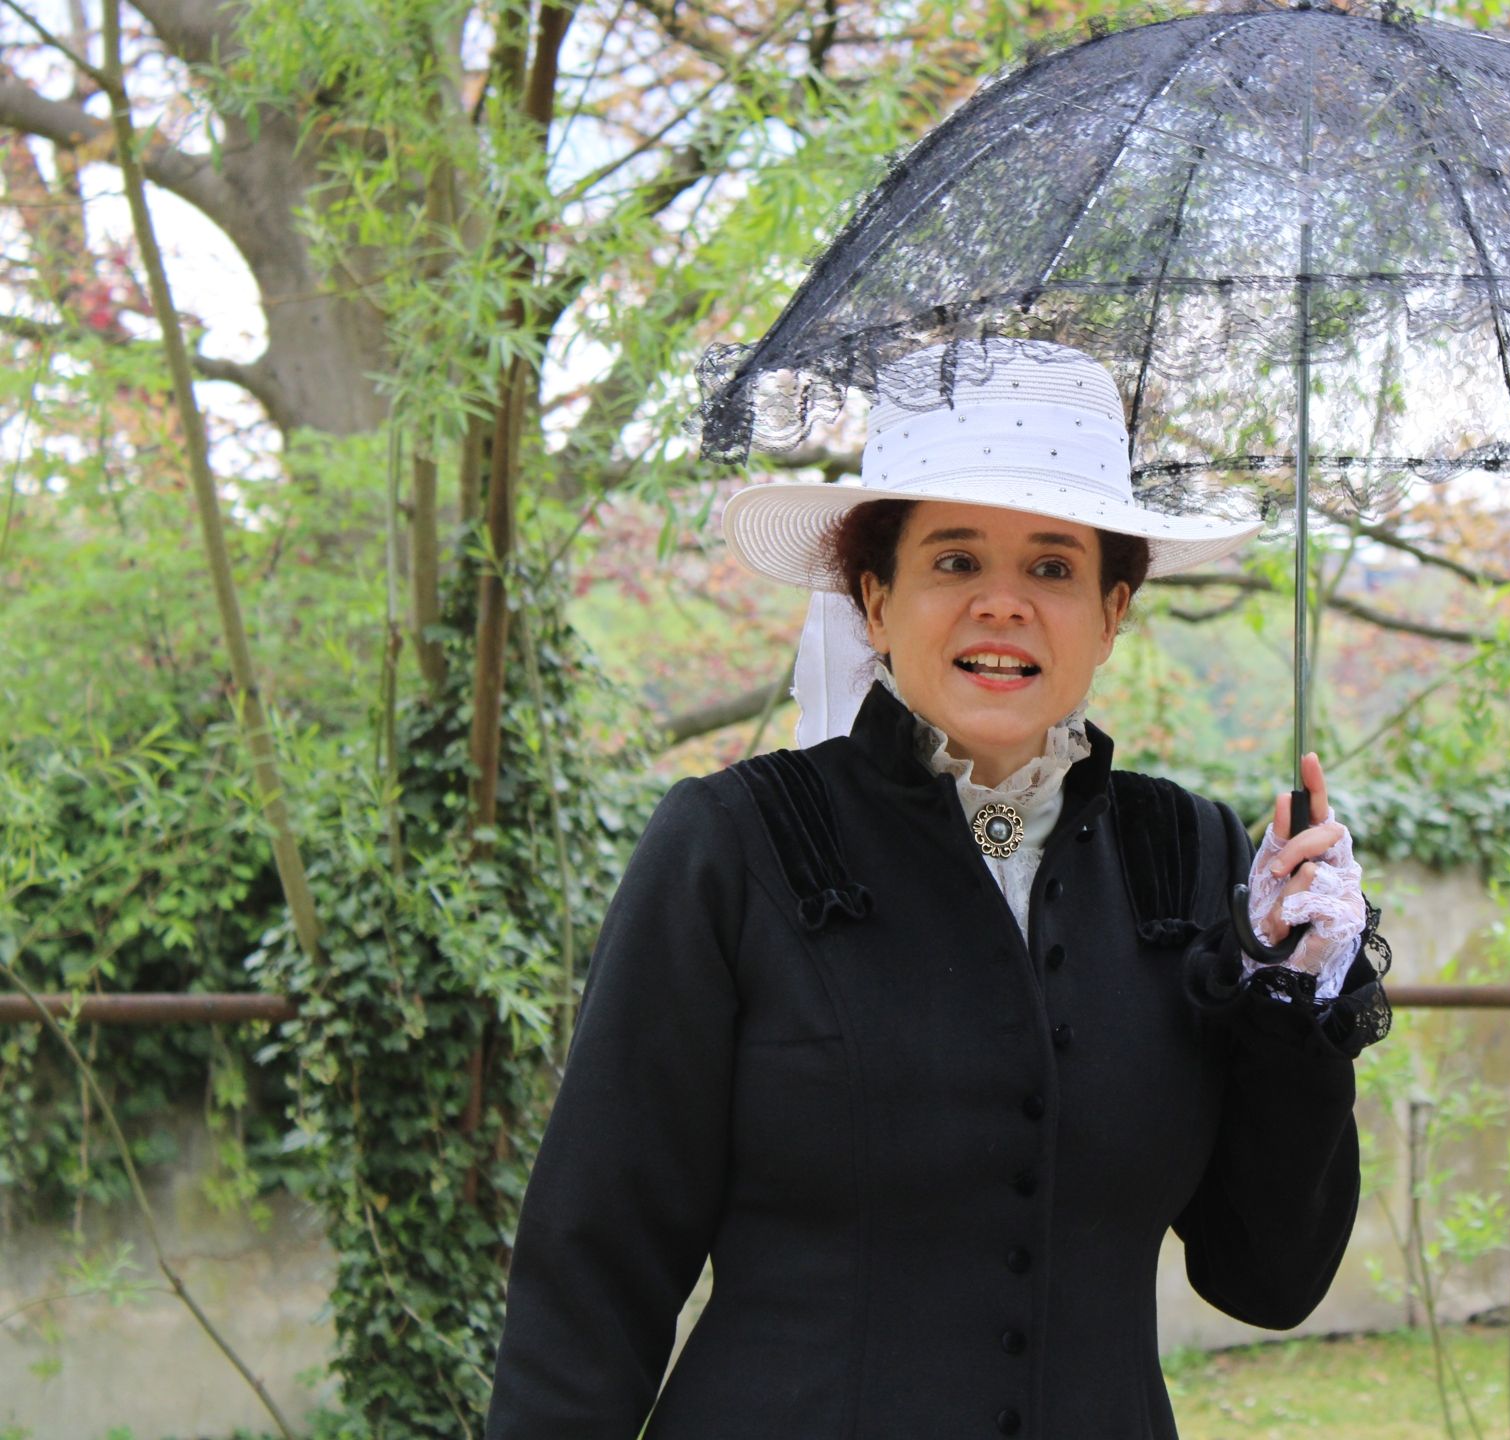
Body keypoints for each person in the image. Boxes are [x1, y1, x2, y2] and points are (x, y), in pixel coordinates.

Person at [484, 340, 1391, 1439]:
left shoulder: (1191, 859)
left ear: (1112, 611)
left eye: (1052, 568)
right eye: (954, 562)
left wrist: (1294, 1004)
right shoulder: (733, 846)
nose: (1001, 605)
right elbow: (594, 1267)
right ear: (875, 601)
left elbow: (1269, 1278)